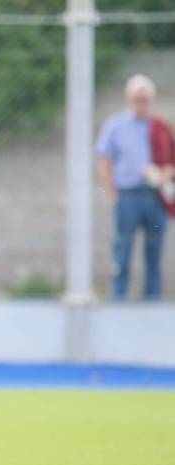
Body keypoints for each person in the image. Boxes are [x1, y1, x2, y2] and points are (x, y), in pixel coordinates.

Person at [97, 74, 170, 300]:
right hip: (128, 196)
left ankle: (152, 302)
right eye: (137, 98)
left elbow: (171, 161)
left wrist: (162, 174)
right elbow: (104, 159)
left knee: (154, 254)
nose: (141, 103)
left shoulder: (159, 127)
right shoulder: (116, 126)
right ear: (129, 99)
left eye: (145, 99)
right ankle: (118, 302)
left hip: (154, 197)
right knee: (123, 251)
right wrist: (112, 190)